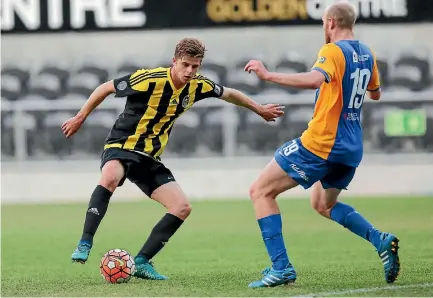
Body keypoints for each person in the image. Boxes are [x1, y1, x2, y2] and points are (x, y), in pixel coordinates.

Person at [62, 37, 284, 280]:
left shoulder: (198, 85)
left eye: (195, 66)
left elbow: (229, 94)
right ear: (174, 61)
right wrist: (80, 117)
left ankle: (142, 261)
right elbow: (105, 87)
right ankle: (85, 241)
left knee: (181, 207)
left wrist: (259, 109)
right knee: (110, 178)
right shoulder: (149, 79)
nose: (190, 71)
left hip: (150, 156)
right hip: (122, 145)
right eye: (185, 65)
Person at [244, 2, 400, 288]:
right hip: (351, 147)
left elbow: (315, 80)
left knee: (260, 191)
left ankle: (281, 268)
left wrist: (268, 76)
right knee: (322, 204)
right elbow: (375, 93)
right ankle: (380, 240)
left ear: (330, 22)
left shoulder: (331, 51)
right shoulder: (367, 53)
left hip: (322, 143)